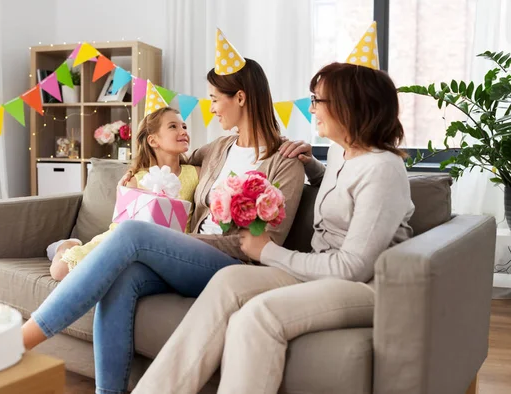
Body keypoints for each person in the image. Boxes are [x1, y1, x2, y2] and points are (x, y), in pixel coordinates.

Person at [21, 57, 308, 394]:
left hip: (234, 266)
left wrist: (179, 239)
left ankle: (21, 340)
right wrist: (132, 180)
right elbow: (168, 157)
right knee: (122, 277)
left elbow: (268, 241)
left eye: (215, 98)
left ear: (241, 98)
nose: (212, 108)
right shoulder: (219, 148)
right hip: (188, 256)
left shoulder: (284, 163)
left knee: (134, 233)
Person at [132, 61, 416, 394]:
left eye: (317, 100)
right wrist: (312, 166)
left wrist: (268, 251)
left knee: (257, 316)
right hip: (322, 269)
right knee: (228, 280)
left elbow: (352, 266)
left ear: (349, 104)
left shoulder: (384, 169)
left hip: (366, 285)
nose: (311, 108)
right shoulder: (343, 152)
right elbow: (342, 195)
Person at [45, 107, 199, 281]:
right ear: (153, 140)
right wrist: (124, 193)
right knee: (59, 271)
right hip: (122, 241)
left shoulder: (196, 173)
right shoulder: (136, 179)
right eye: (173, 126)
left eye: (184, 126)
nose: (183, 131)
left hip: (169, 248)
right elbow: (122, 224)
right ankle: (67, 245)